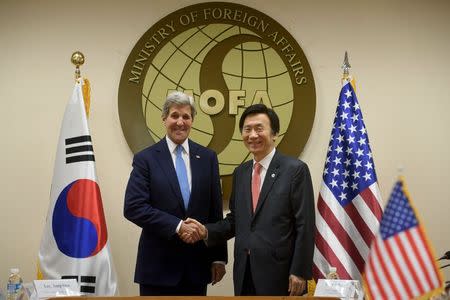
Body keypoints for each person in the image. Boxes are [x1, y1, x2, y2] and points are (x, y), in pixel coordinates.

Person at [183, 104, 315, 296]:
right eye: (247, 129)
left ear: (274, 134)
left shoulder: (295, 170)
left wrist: (300, 271)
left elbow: (305, 225)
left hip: (281, 274)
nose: (252, 135)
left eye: (259, 128)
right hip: (245, 272)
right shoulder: (241, 173)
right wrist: (205, 231)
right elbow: (236, 221)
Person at [123, 91, 227, 296]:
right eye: (175, 115)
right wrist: (178, 226)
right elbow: (134, 207)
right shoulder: (146, 159)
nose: (180, 122)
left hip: (196, 268)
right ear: (164, 118)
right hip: (157, 270)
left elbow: (215, 211)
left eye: (186, 117)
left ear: (192, 121)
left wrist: (218, 257)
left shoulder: (207, 158)